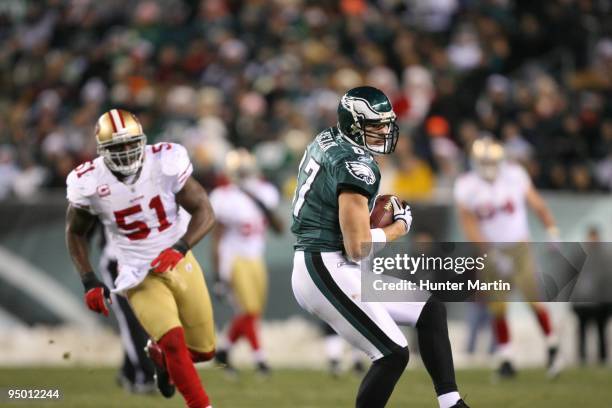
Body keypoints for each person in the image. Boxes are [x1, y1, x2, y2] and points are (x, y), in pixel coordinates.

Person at [290, 86, 469, 408]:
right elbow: (357, 247)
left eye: (386, 123)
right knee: (392, 354)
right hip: (324, 265)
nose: (385, 131)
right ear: (354, 124)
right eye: (375, 125)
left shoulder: (329, 138)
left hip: (330, 262)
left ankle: (451, 403)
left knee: (429, 310)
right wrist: (399, 227)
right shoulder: (354, 165)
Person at [65, 109, 216, 408]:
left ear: (143, 140)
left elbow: (205, 211)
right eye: (115, 147)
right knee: (173, 340)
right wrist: (89, 279)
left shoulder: (165, 161)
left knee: (203, 352)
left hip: (178, 261)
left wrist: (180, 247)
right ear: (101, 150)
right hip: (137, 272)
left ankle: (160, 358)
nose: (123, 152)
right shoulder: (89, 180)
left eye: (129, 144)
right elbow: (75, 232)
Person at [454, 136, 563, 378]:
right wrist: (490, 252)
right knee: (497, 306)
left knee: (533, 298)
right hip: (491, 250)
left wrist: (551, 229)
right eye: (483, 161)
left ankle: (553, 346)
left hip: (519, 248)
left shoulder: (515, 175)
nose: (488, 166)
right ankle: (507, 357)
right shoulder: (466, 185)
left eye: (491, 161)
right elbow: (469, 224)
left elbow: (537, 204)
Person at [209, 148, 283, 375]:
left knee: (250, 313)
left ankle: (223, 351)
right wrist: (218, 276)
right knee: (248, 310)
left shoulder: (265, 192)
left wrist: (262, 205)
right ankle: (261, 360)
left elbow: (279, 229)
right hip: (234, 257)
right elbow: (217, 238)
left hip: (255, 257)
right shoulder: (224, 196)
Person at [90, 221, 156, 393]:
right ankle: (145, 377)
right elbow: (81, 227)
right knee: (130, 319)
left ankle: (128, 372)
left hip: (142, 263)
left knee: (144, 319)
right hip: (115, 263)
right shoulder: (103, 195)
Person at [570, 226, 610, 365]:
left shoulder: (606, 256)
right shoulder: (580, 256)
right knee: (582, 331)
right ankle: (582, 358)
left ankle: (602, 358)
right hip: (582, 303)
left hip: (600, 303)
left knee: (601, 330)